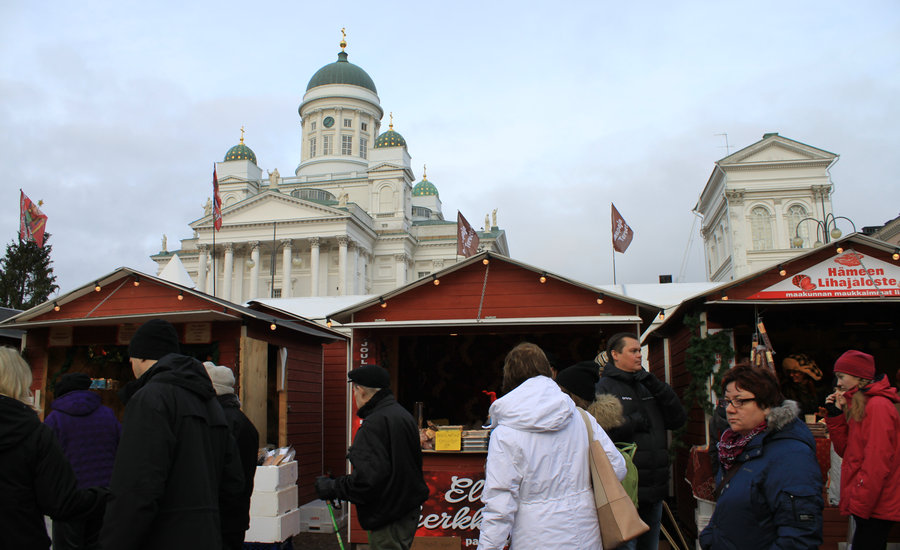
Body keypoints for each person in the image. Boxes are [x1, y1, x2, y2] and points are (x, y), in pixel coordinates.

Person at [100, 319, 244, 550]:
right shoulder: (210, 402)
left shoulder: (150, 399)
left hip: (161, 537)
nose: (130, 361)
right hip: (207, 537)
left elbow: (137, 488)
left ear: (144, 356)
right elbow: (233, 485)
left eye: (132, 355)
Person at [477, 343, 626, 550]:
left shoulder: (505, 432)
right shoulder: (582, 418)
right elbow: (617, 468)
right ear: (548, 371)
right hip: (585, 535)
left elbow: (499, 504)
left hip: (535, 537)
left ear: (509, 376)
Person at [699, 364, 823, 549]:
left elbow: (798, 537)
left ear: (766, 405)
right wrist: (710, 537)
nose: (730, 409)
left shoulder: (791, 456)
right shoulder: (735, 447)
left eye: (740, 401)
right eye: (727, 401)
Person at [0, 347, 108, 549]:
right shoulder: (34, 433)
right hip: (21, 538)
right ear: (20, 382)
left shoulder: (49, 423)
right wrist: (107, 495)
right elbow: (61, 502)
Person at [314, 364, 428, 550]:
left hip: (389, 516)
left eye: (354, 391)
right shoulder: (401, 415)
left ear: (360, 390)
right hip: (405, 511)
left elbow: (368, 481)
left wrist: (333, 487)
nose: (354, 396)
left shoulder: (375, 424)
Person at [595, 332, 686, 550]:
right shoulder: (604, 388)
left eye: (640, 351)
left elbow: (677, 419)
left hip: (654, 487)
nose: (639, 356)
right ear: (615, 355)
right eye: (633, 351)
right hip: (625, 489)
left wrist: (654, 383)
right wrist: (632, 423)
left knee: (650, 546)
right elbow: (603, 433)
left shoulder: (648, 385)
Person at [824, 350, 900, 550]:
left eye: (841, 376)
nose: (838, 383)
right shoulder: (863, 403)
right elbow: (848, 452)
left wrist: (860, 503)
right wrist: (836, 417)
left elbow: (877, 462)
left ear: (859, 377)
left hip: (875, 501)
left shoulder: (878, 406)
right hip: (871, 499)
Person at [44, 372, 121, 550]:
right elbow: (122, 450)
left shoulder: (54, 420)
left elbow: (46, 462)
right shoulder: (108, 415)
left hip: (69, 499)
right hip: (103, 496)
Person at [203, 361, 260, 550]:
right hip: (236, 515)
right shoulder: (243, 421)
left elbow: (223, 476)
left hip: (219, 517)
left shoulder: (219, 423)